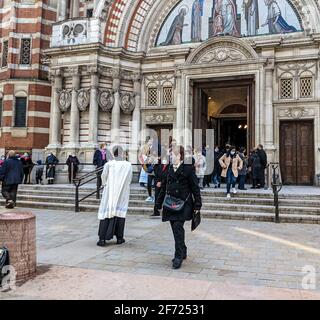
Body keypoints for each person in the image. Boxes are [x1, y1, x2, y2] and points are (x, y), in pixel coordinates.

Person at [156, 145, 202, 270]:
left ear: (180, 156)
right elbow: (164, 186)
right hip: (170, 204)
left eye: (173, 155)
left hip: (183, 203)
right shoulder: (169, 169)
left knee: (177, 227)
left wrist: (198, 204)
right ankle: (183, 249)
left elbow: (195, 187)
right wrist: (158, 203)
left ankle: (178, 256)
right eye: (171, 155)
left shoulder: (188, 168)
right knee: (175, 229)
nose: (171, 157)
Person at [97, 146, 133, 247]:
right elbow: (129, 179)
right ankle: (119, 238)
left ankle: (102, 239)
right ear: (122, 153)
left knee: (106, 213)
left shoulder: (109, 164)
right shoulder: (128, 165)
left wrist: (105, 185)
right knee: (120, 213)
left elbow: (103, 176)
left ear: (113, 153)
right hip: (122, 192)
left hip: (110, 192)